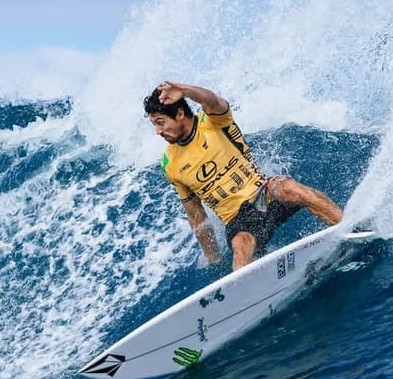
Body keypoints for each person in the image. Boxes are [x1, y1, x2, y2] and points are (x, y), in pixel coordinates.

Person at [144, 81, 343, 271]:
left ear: (180, 114)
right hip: (237, 219)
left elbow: (212, 100)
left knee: (288, 187)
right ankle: (249, 288)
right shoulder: (170, 164)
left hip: (263, 194)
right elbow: (195, 214)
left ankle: (347, 226)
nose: (158, 131)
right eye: (154, 124)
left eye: (160, 123)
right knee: (241, 243)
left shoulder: (213, 121)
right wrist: (213, 258)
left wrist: (185, 90)